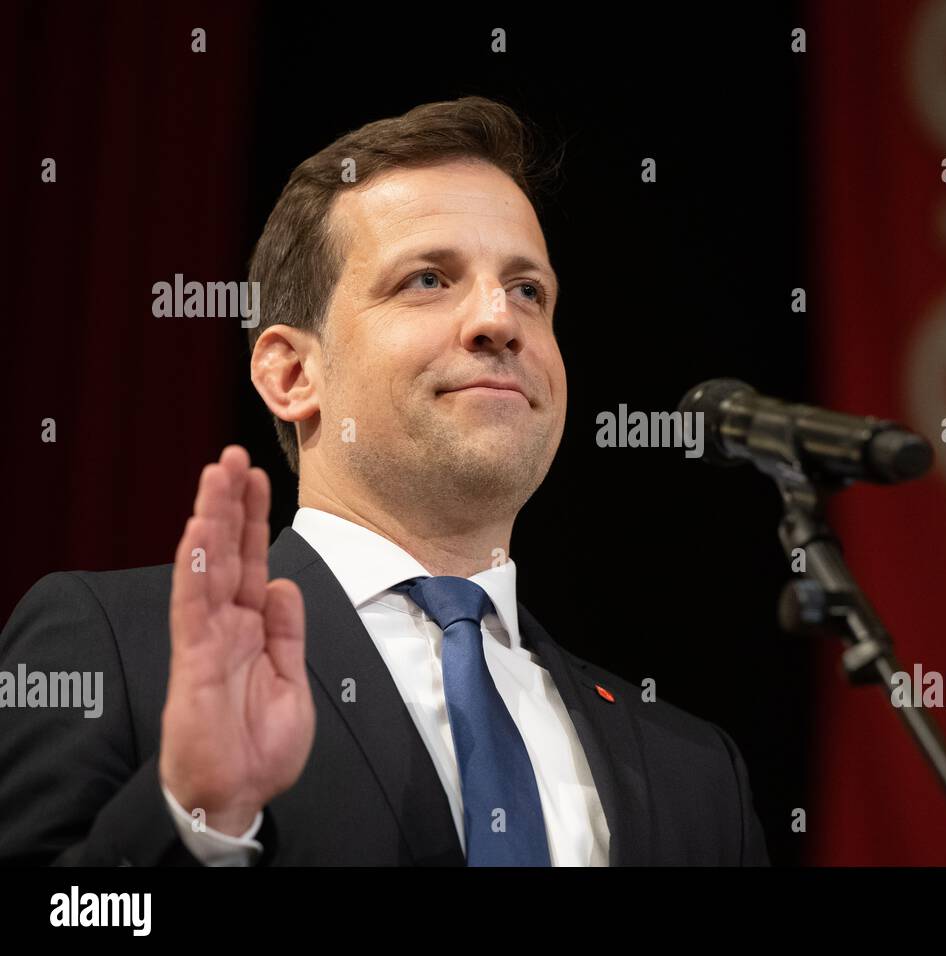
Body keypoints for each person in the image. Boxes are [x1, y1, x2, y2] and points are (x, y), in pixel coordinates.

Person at [0, 97, 770, 867]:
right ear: (294, 373)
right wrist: (197, 818)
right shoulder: (112, 646)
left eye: (529, 290)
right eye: (430, 279)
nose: (499, 320)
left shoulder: (694, 772)